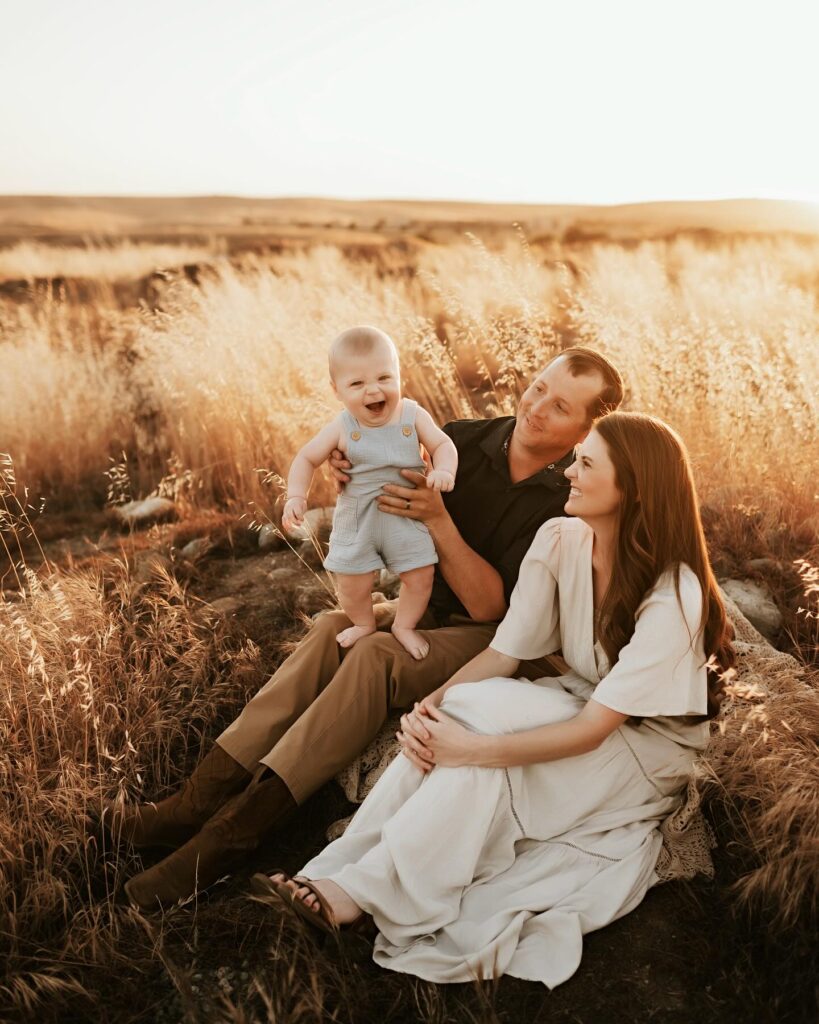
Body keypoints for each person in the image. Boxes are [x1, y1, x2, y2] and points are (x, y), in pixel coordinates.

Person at [107, 347, 625, 911]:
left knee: (375, 657)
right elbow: (378, 488)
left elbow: (487, 609)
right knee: (334, 628)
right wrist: (351, 469)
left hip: (498, 637)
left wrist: (437, 519)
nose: (538, 407)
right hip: (421, 604)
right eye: (539, 387)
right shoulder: (463, 439)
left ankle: (231, 838)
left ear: (585, 428)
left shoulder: (567, 499)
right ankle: (191, 804)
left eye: (562, 406)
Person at [255, 412, 736, 989]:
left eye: (586, 464)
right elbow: (503, 655)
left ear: (632, 488)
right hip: (581, 701)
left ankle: (364, 895)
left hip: (643, 750)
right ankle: (335, 872)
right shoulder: (561, 538)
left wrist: (474, 751)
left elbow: (593, 731)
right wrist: (427, 710)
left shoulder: (674, 591)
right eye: (574, 459)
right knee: (466, 709)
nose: (569, 474)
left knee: (484, 742)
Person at [282, 326, 458, 660]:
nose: (373, 390)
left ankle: (404, 625)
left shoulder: (413, 415)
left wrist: (443, 469)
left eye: (384, 378)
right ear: (337, 391)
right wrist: (295, 496)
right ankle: (364, 622)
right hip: (357, 519)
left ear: (399, 376)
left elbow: (442, 443)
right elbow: (306, 457)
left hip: (404, 516)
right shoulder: (342, 426)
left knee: (421, 576)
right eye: (357, 383)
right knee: (350, 582)